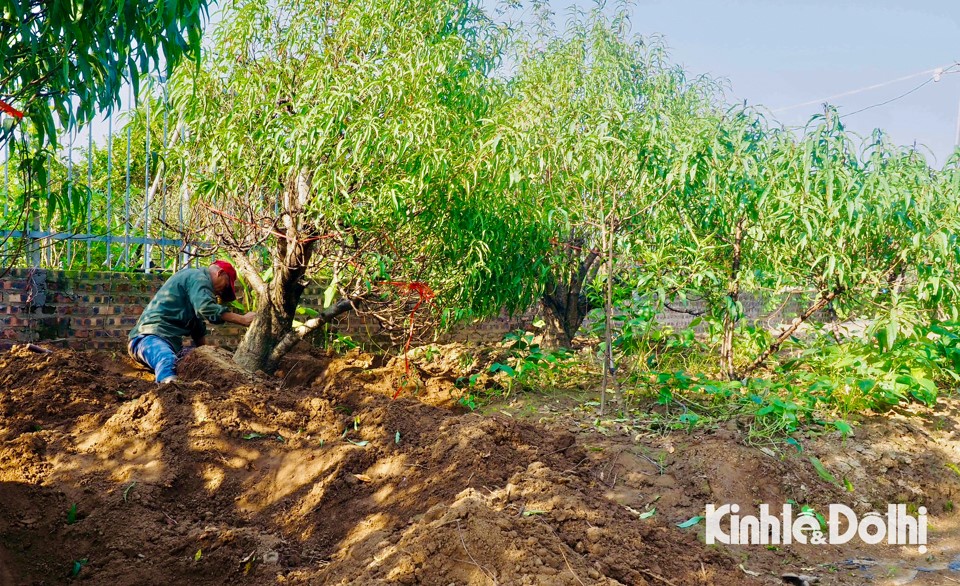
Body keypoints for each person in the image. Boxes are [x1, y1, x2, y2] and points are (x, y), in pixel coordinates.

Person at [128, 260, 256, 383]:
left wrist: (205, 353)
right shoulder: (198, 277)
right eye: (226, 286)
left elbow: (197, 327)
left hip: (160, 343)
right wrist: (243, 319)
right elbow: (205, 308)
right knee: (167, 360)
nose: (221, 292)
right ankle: (169, 391)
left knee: (187, 361)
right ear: (220, 273)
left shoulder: (193, 284)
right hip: (148, 339)